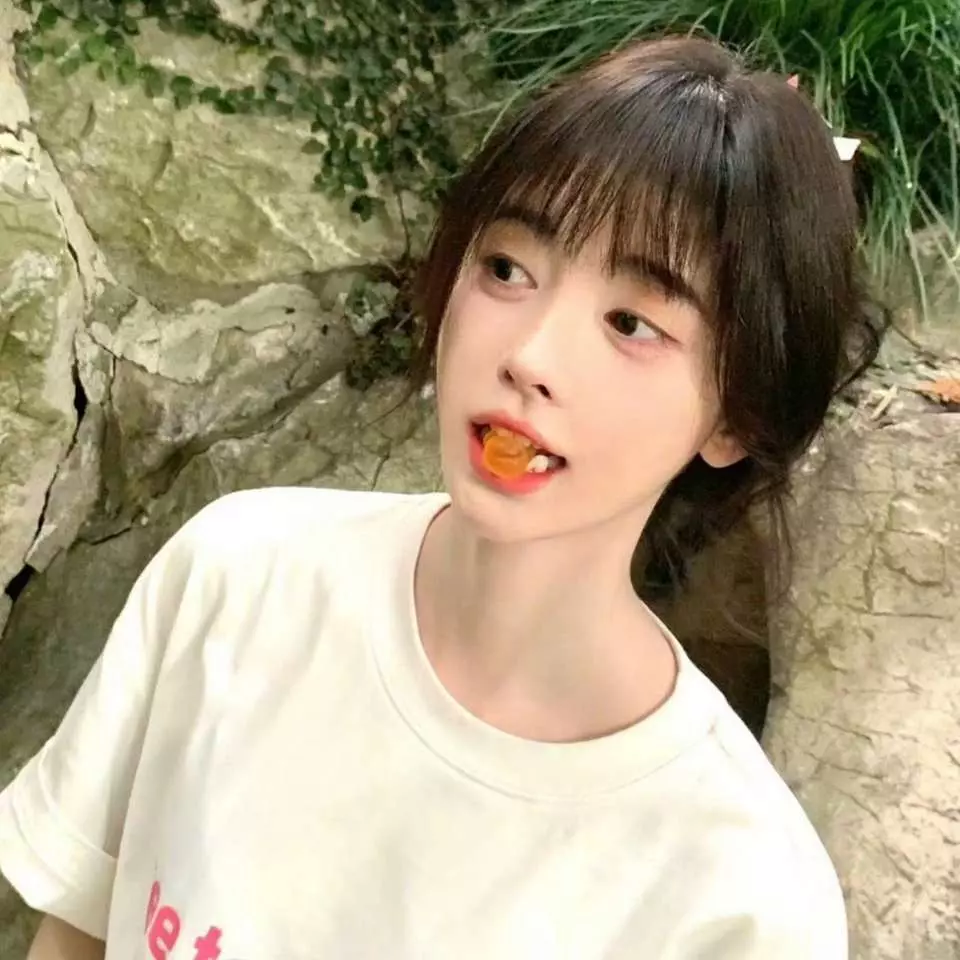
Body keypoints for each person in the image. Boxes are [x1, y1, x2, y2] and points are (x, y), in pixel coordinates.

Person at [1, 35, 879, 960]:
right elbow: (76, 938)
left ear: (736, 414)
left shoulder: (740, 896)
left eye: (631, 322)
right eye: (507, 269)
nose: (530, 356)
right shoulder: (236, 578)